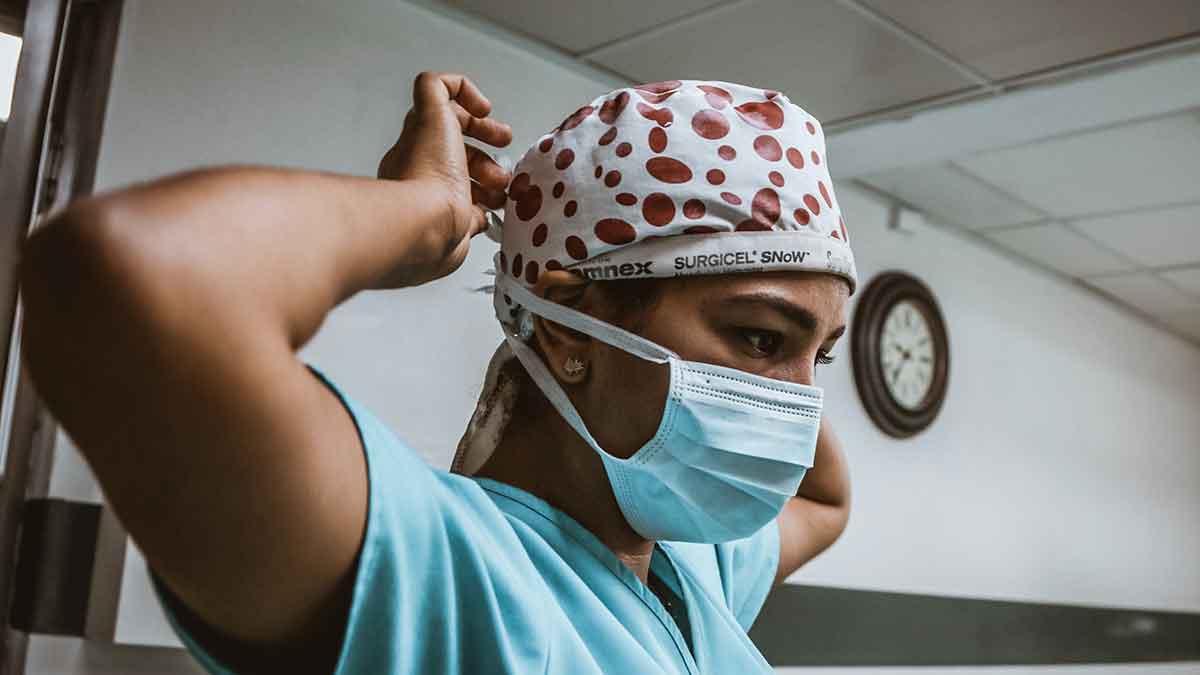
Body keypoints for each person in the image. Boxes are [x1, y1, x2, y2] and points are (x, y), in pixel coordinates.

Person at [20, 73, 855, 674]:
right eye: (758, 337)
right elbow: (128, 278)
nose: (798, 403)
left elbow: (825, 500)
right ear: (574, 328)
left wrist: (789, 314)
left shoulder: (687, 571)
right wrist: (429, 212)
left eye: (819, 355)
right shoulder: (446, 579)